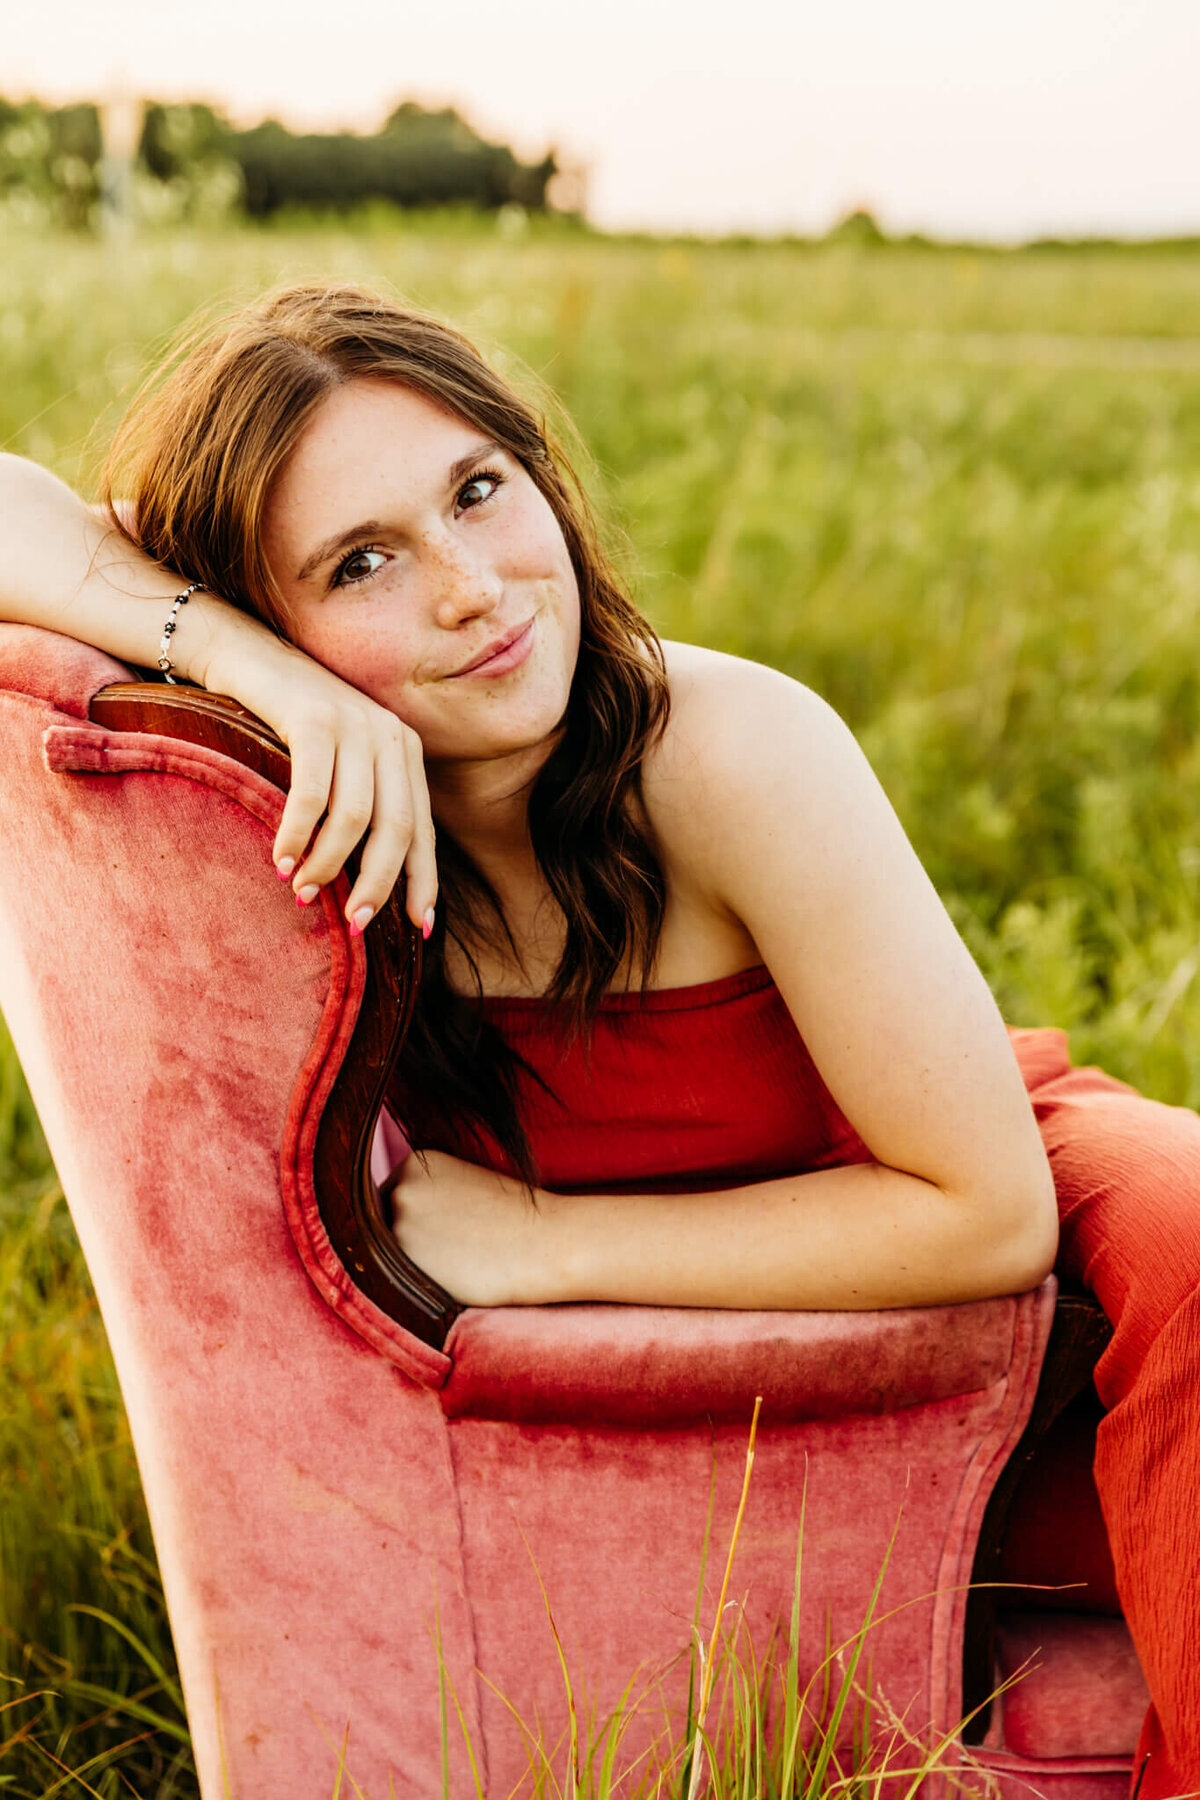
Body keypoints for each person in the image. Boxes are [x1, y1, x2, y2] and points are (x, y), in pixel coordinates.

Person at [0, 281, 1195, 1794]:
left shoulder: (732, 748)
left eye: (479, 493)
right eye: (361, 562)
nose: (470, 589)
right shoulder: (298, 803)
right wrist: (254, 671)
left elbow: (982, 1206)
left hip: (950, 1152)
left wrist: (545, 1240)